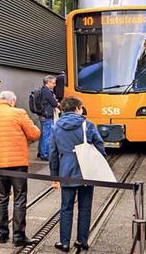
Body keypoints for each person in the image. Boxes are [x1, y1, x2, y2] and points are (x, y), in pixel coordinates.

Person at [0, 90, 40, 246]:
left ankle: (2, 235)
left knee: (1, 198)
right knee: (19, 199)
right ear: (12, 101)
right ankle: (19, 237)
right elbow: (34, 134)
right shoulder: (18, 113)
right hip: (18, 163)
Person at [49, 96, 106, 252]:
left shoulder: (56, 128)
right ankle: (82, 240)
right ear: (77, 109)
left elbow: (53, 153)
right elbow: (100, 146)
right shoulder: (87, 125)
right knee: (85, 207)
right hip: (86, 171)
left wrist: (54, 176)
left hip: (66, 171)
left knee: (66, 207)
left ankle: (64, 242)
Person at [36, 76, 59, 161]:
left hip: (43, 115)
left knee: (43, 135)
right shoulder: (47, 92)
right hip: (47, 116)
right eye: (53, 83)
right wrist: (58, 104)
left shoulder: (42, 90)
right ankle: (45, 154)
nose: (54, 85)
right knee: (47, 136)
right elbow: (54, 103)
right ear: (48, 82)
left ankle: (41, 152)